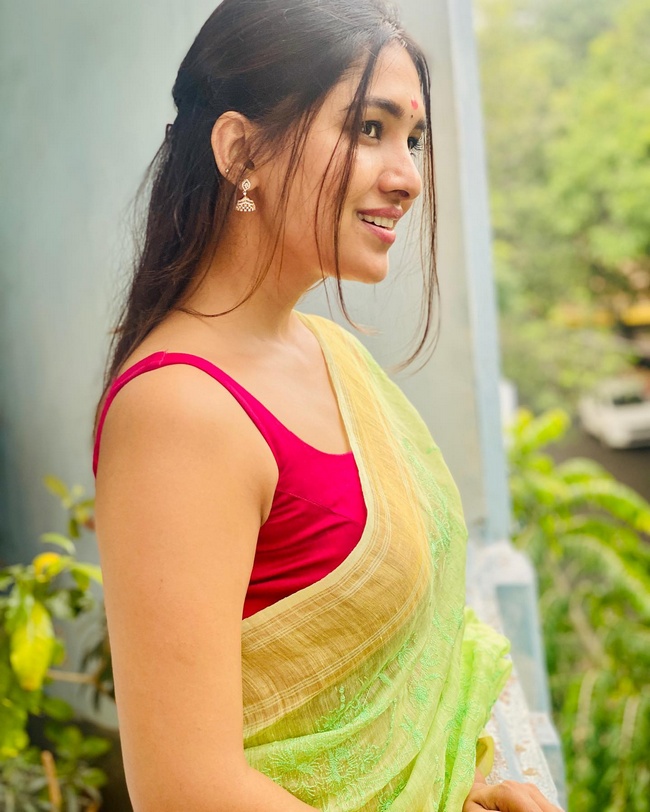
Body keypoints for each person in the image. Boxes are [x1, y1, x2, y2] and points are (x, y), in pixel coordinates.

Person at [92, 1, 563, 810]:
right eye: (369, 129)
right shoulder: (179, 411)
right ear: (241, 151)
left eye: (412, 139)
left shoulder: (330, 353)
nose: (408, 177)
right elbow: (186, 790)